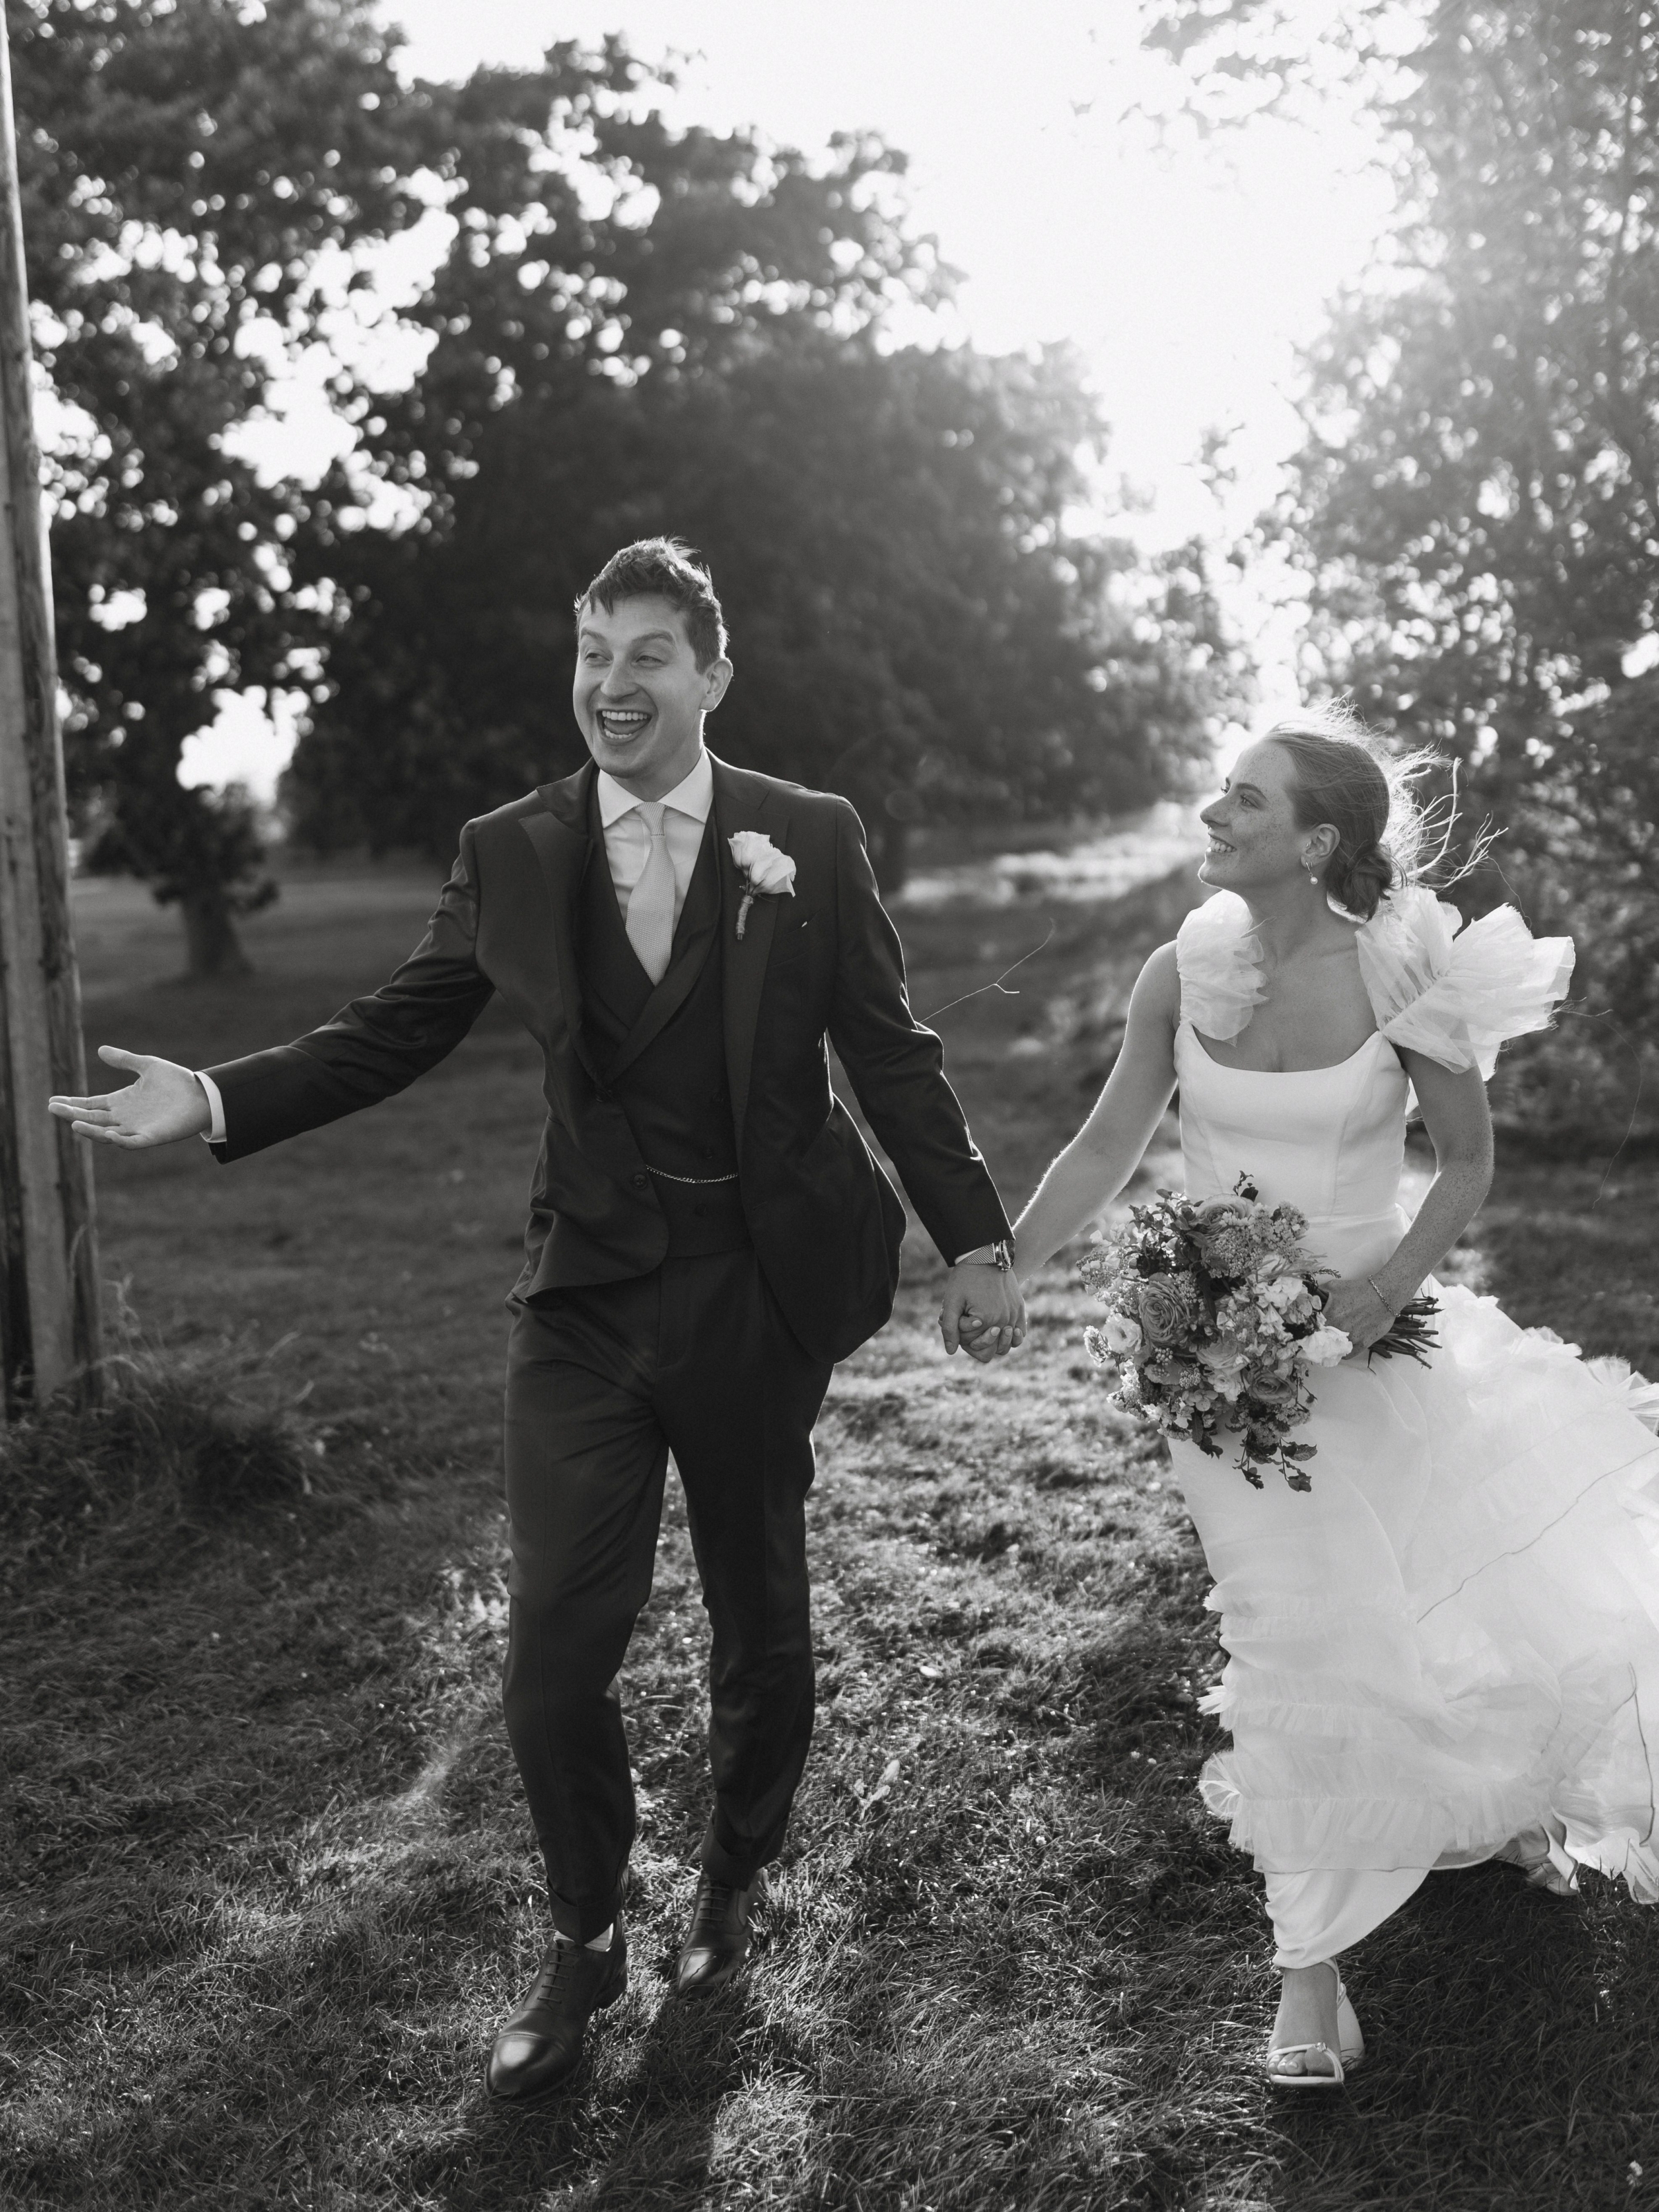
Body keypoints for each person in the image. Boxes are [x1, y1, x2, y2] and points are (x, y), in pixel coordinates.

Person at [48, 536, 1025, 2102]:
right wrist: (220, 1096)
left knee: (756, 1603)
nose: (611, 681)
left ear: (712, 676)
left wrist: (974, 1236)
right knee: (556, 1661)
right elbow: (396, 1027)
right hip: (585, 1297)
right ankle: (584, 1932)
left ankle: (735, 1872)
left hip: (758, 1284)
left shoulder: (809, 837)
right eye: (590, 649)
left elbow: (890, 1055)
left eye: (647, 653)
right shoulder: (510, 846)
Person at [1005, 710, 1659, 2088]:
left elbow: (1469, 1164)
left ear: (1314, 839)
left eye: (1241, 798)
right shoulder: (1177, 969)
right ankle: (1311, 1963)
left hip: (1368, 1340)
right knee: (1289, 1624)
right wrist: (1003, 1266)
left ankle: (1497, 1788)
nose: (1209, 812)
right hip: (1209, 1347)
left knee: (1405, 1594)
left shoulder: (1400, 964)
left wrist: (1378, 1293)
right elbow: (1109, 1141)